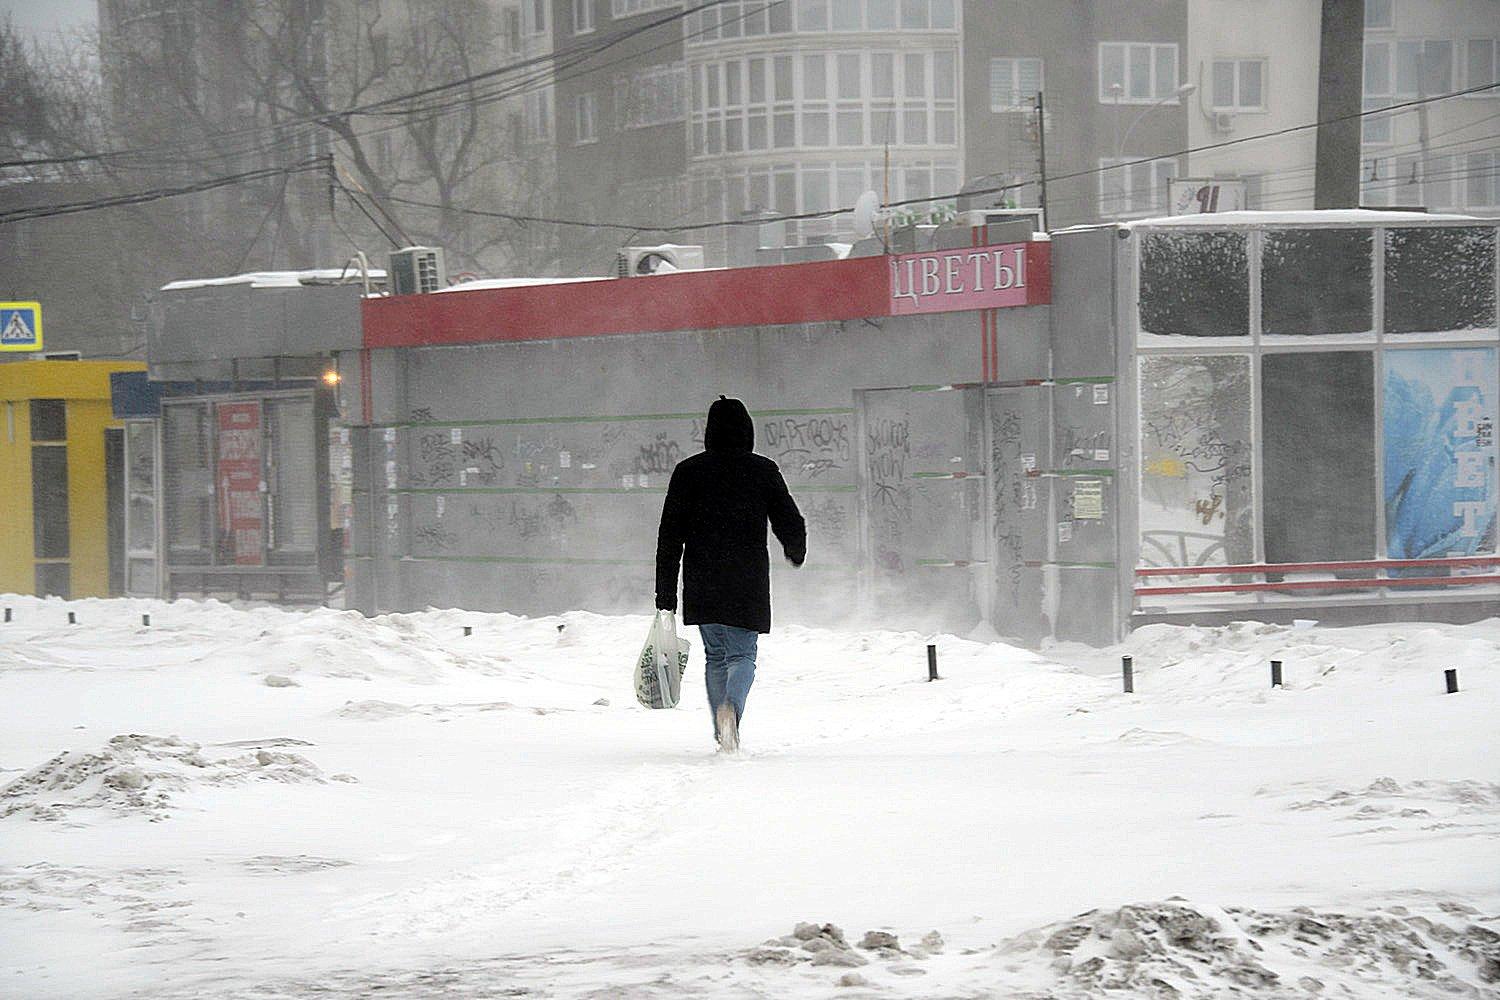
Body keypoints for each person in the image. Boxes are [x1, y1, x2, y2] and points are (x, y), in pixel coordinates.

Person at [655, 396, 806, 752]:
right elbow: (789, 519)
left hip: (702, 581)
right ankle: (731, 713)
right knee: (742, 656)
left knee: (716, 656)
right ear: (747, 431)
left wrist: (666, 595)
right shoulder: (762, 470)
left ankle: (721, 728)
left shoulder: (688, 472)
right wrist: (794, 549)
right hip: (747, 580)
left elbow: (669, 536)